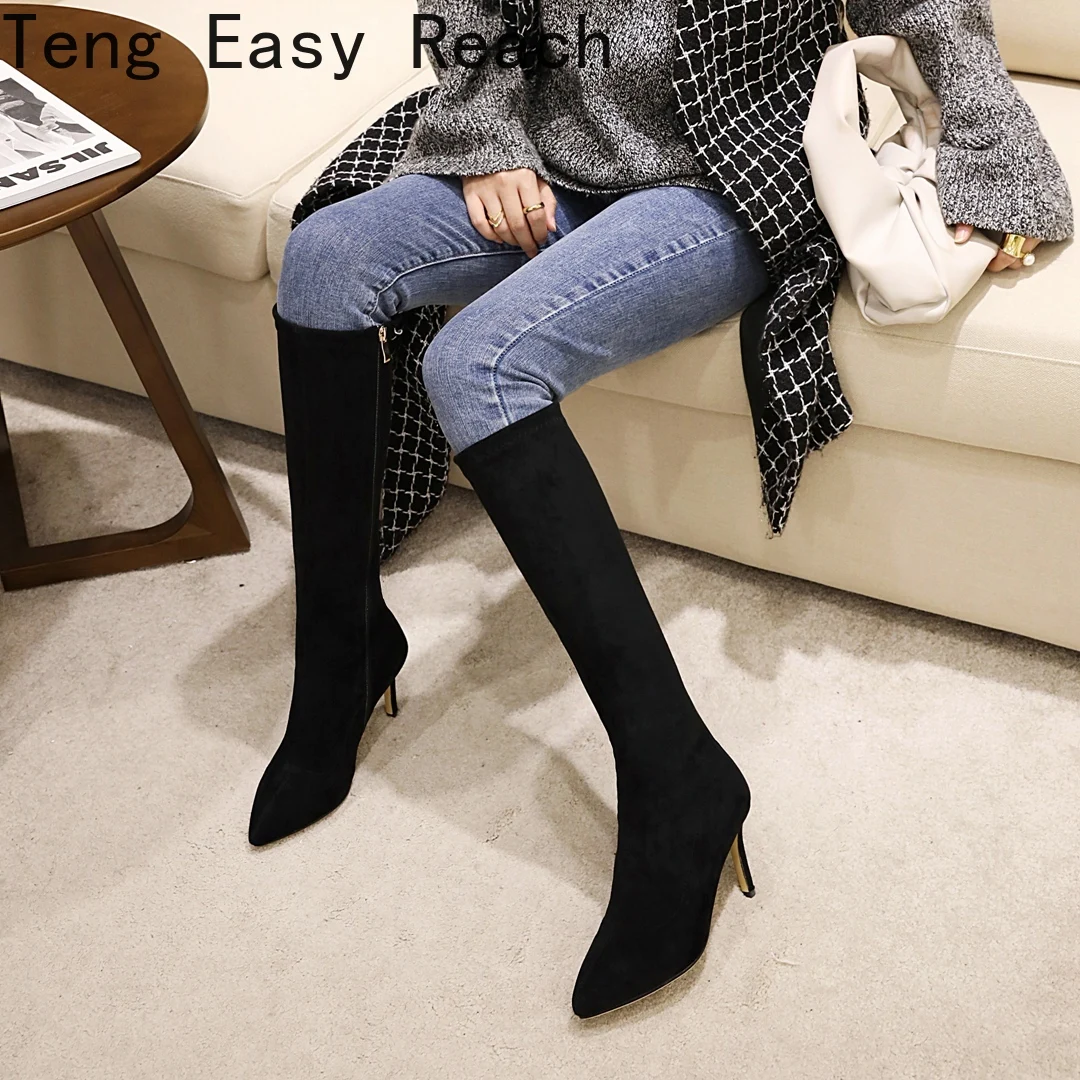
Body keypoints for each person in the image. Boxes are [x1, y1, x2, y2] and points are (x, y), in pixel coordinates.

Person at [255, 0, 1072, 1018]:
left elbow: (925, 6)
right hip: (546, 152)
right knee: (325, 261)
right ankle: (342, 656)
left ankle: (679, 779)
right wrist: (489, 134)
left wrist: (993, 164)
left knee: (478, 365)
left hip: (723, 173)